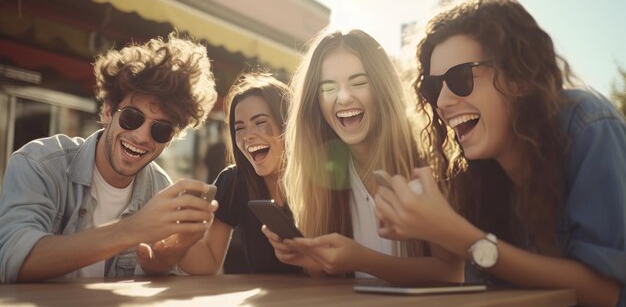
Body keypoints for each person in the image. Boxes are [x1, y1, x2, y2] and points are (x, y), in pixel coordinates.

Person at [374, 0, 626, 306]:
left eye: (460, 78)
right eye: (433, 86)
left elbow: (609, 293)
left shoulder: (589, 125)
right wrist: (428, 228)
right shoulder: (474, 175)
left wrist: (458, 235)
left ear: (519, 77)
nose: (441, 102)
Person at [0, 33, 218, 283]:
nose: (141, 137)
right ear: (107, 111)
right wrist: (132, 229)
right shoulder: (40, 163)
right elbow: (12, 262)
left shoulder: (159, 189)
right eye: (132, 117)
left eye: (161, 130)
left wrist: (163, 260)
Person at [263, 29, 463, 283]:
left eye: (358, 83)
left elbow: (451, 274)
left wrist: (361, 260)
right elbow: (333, 280)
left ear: (382, 88)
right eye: (328, 87)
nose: (343, 97)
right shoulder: (325, 175)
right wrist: (315, 262)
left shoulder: (426, 161)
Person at [175, 73, 301, 275]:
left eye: (260, 122)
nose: (248, 136)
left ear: (288, 124)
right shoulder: (234, 181)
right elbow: (208, 262)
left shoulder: (320, 179)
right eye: (239, 127)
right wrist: (176, 236)